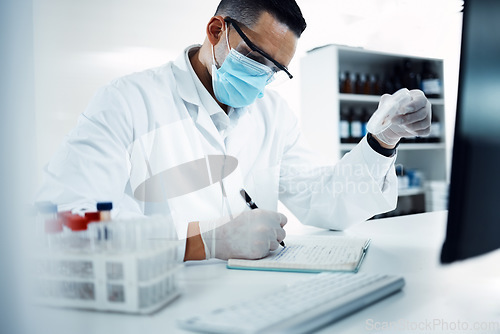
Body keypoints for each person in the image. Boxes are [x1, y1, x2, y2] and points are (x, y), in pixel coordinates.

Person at [36, 0, 431, 261]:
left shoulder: (272, 114)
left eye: (276, 70)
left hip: (249, 305)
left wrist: (381, 140)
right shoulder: (127, 101)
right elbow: (64, 218)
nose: (263, 79)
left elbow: (326, 203)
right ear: (215, 30)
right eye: (257, 58)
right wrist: (203, 243)